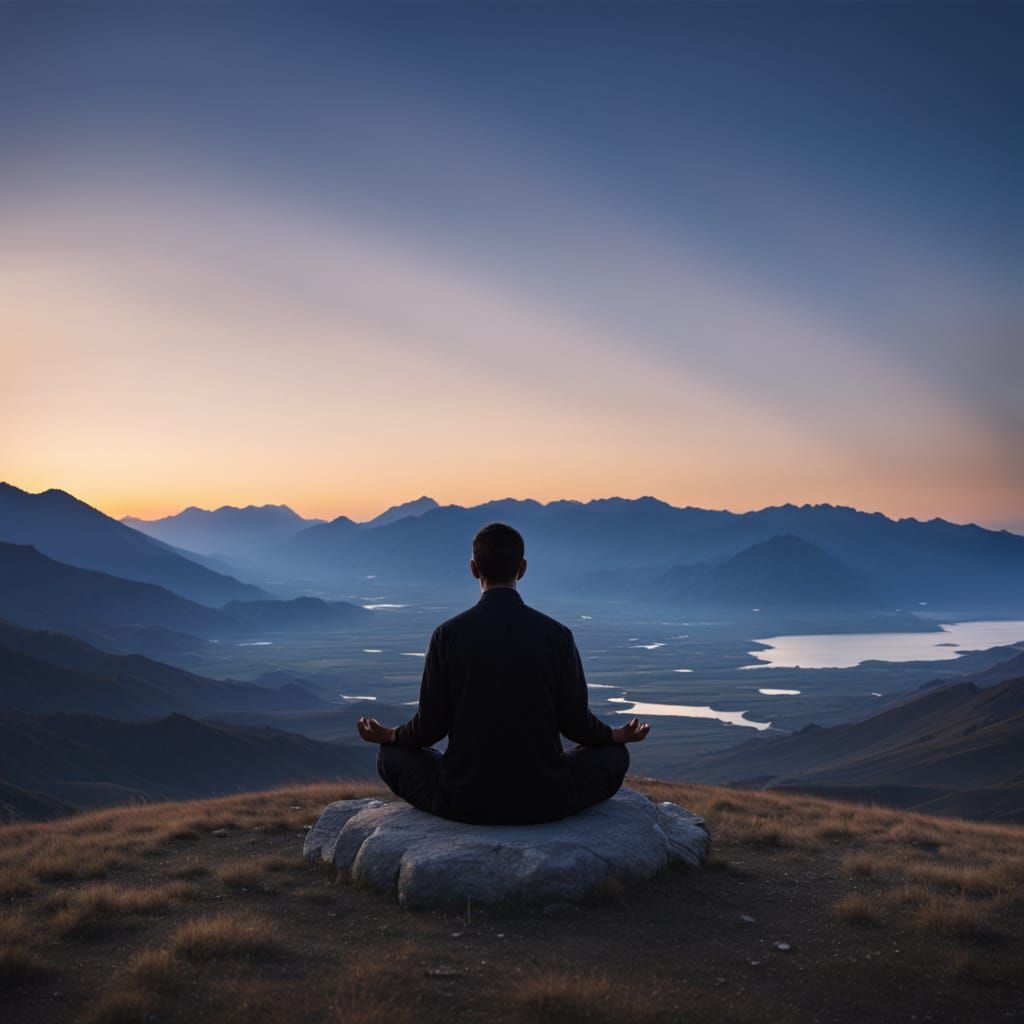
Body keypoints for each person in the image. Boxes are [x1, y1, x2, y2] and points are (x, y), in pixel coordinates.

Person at [356, 521, 650, 825]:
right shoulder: (557, 636)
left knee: (390, 756)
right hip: (545, 799)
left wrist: (391, 735)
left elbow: (431, 728)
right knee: (616, 757)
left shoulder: (447, 636)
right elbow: (575, 725)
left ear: (473, 569)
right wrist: (615, 736)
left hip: (463, 799)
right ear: (522, 569)